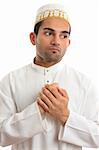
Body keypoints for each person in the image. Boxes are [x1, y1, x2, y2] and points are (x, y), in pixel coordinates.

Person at [0, 3, 99, 150]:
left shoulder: (84, 83)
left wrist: (65, 116)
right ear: (33, 38)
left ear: (68, 42)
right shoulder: (11, 81)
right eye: (48, 33)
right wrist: (37, 110)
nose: (56, 41)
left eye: (63, 35)